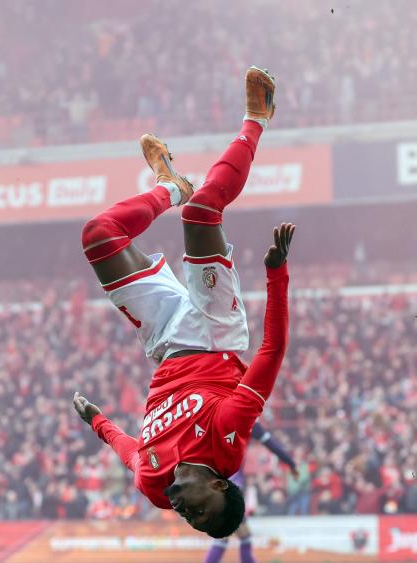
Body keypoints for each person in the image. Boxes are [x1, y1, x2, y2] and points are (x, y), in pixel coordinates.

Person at [75, 66, 295, 538]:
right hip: (214, 334)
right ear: (219, 486)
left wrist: (96, 421)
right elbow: (271, 354)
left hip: (163, 341)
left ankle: (170, 185)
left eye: (189, 522)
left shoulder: (153, 486)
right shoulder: (227, 441)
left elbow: (130, 451)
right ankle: (257, 118)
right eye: (199, 514)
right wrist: (276, 275)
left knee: (99, 236)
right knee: (201, 213)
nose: (184, 513)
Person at [194, 422, 298, 563]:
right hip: (227, 488)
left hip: (214, 486)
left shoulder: (212, 418)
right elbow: (272, 445)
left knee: (241, 536)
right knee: (228, 538)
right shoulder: (248, 422)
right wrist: (291, 463)